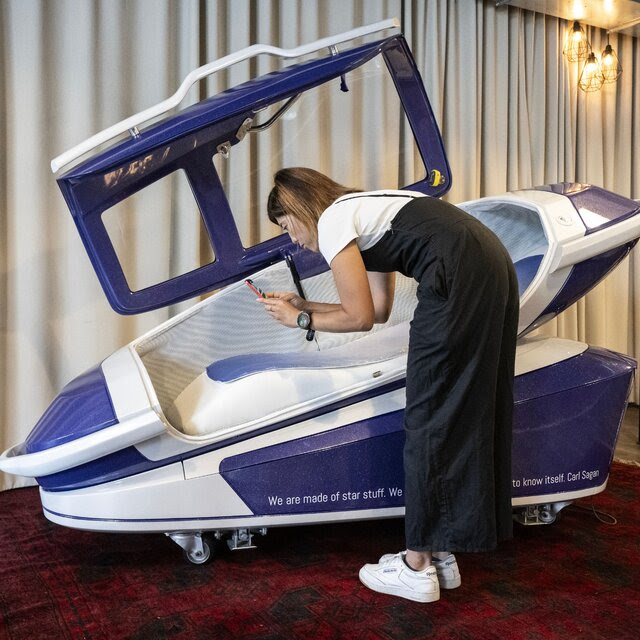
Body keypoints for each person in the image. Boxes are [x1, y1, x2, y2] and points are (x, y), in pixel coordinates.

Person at [258, 167, 519, 603]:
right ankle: (439, 551)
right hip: (489, 264)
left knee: (428, 417)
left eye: (287, 227)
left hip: (457, 272)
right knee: (462, 412)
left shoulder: (332, 222)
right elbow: (376, 309)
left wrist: (300, 320)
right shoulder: (363, 209)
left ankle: (416, 567)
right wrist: (305, 304)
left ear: (299, 208)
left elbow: (357, 318)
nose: (292, 240)